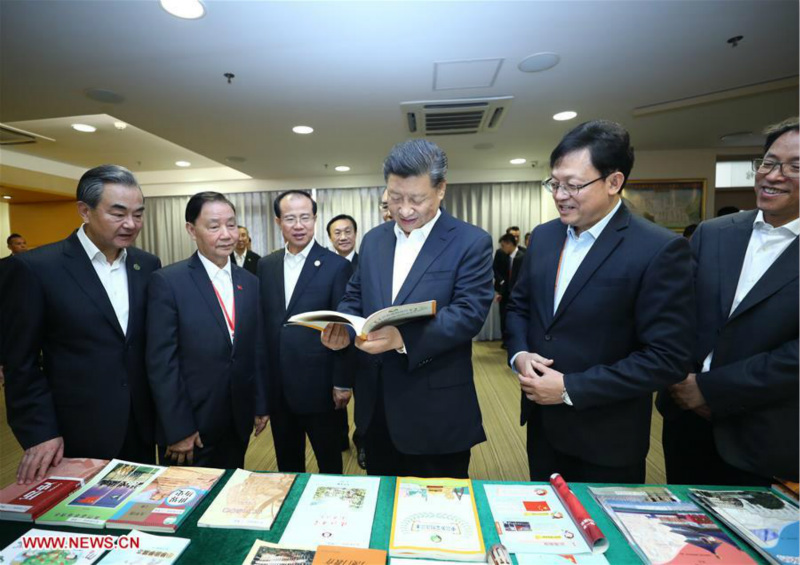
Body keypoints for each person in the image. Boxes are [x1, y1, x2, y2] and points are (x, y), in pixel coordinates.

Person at [506, 120, 694, 483]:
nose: (560, 195)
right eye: (554, 183)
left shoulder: (657, 249)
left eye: (573, 185)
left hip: (606, 437)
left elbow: (667, 358)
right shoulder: (545, 237)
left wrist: (569, 389)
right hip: (543, 429)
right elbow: (519, 306)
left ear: (614, 182)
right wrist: (519, 354)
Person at [322, 139, 494, 479]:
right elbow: (355, 294)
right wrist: (343, 324)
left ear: (441, 189)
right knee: (384, 510)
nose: (404, 210)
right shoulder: (374, 239)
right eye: (395, 198)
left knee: (439, 516)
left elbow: (468, 313)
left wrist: (402, 338)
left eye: (416, 199)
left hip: (435, 409)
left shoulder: (470, 241)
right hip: (376, 407)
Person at [659, 117, 799, 486]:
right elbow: (674, 313)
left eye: (795, 167)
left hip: (764, 431)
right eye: (768, 162)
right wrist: (680, 381)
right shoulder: (714, 233)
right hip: (685, 420)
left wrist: (710, 390)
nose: (773, 175)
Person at [1, 165, 161, 484]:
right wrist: (40, 432)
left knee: (135, 519)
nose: (131, 224)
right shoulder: (35, 269)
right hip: (74, 431)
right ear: (84, 211)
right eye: (118, 213)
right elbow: (21, 363)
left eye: (138, 214)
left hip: (140, 427)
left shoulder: (147, 265)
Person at [146, 192, 268, 468]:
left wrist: (260, 404)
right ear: (192, 230)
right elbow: (161, 362)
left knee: (229, 494)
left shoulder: (250, 282)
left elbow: (256, 348)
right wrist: (177, 428)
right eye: (214, 226)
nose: (226, 234)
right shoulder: (168, 282)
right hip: (191, 426)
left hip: (237, 418)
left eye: (232, 224)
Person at [258, 190, 352, 474]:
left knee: (329, 464)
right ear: (278, 222)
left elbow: (344, 326)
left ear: (314, 219)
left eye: (305, 218)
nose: (298, 225)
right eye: (290, 219)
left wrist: (342, 381)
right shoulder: (266, 265)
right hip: (279, 386)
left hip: (320, 385)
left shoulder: (337, 266)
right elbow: (264, 328)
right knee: (287, 465)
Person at [326, 213, 361, 455]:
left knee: (366, 399)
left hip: (364, 343)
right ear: (329, 238)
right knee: (336, 396)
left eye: (348, 231)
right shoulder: (326, 266)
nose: (343, 237)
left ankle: (363, 442)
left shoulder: (367, 262)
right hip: (336, 341)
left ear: (355, 234)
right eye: (337, 233)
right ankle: (339, 438)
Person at [495, 233, 525, 348]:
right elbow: (506, 278)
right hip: (506, 294)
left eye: (503, 246)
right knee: (505, 318)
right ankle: (507, 341)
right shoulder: (507, 257)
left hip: (516, 296)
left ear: (509, 244)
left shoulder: (521, 257)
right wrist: (501, 292)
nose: (502, 249)